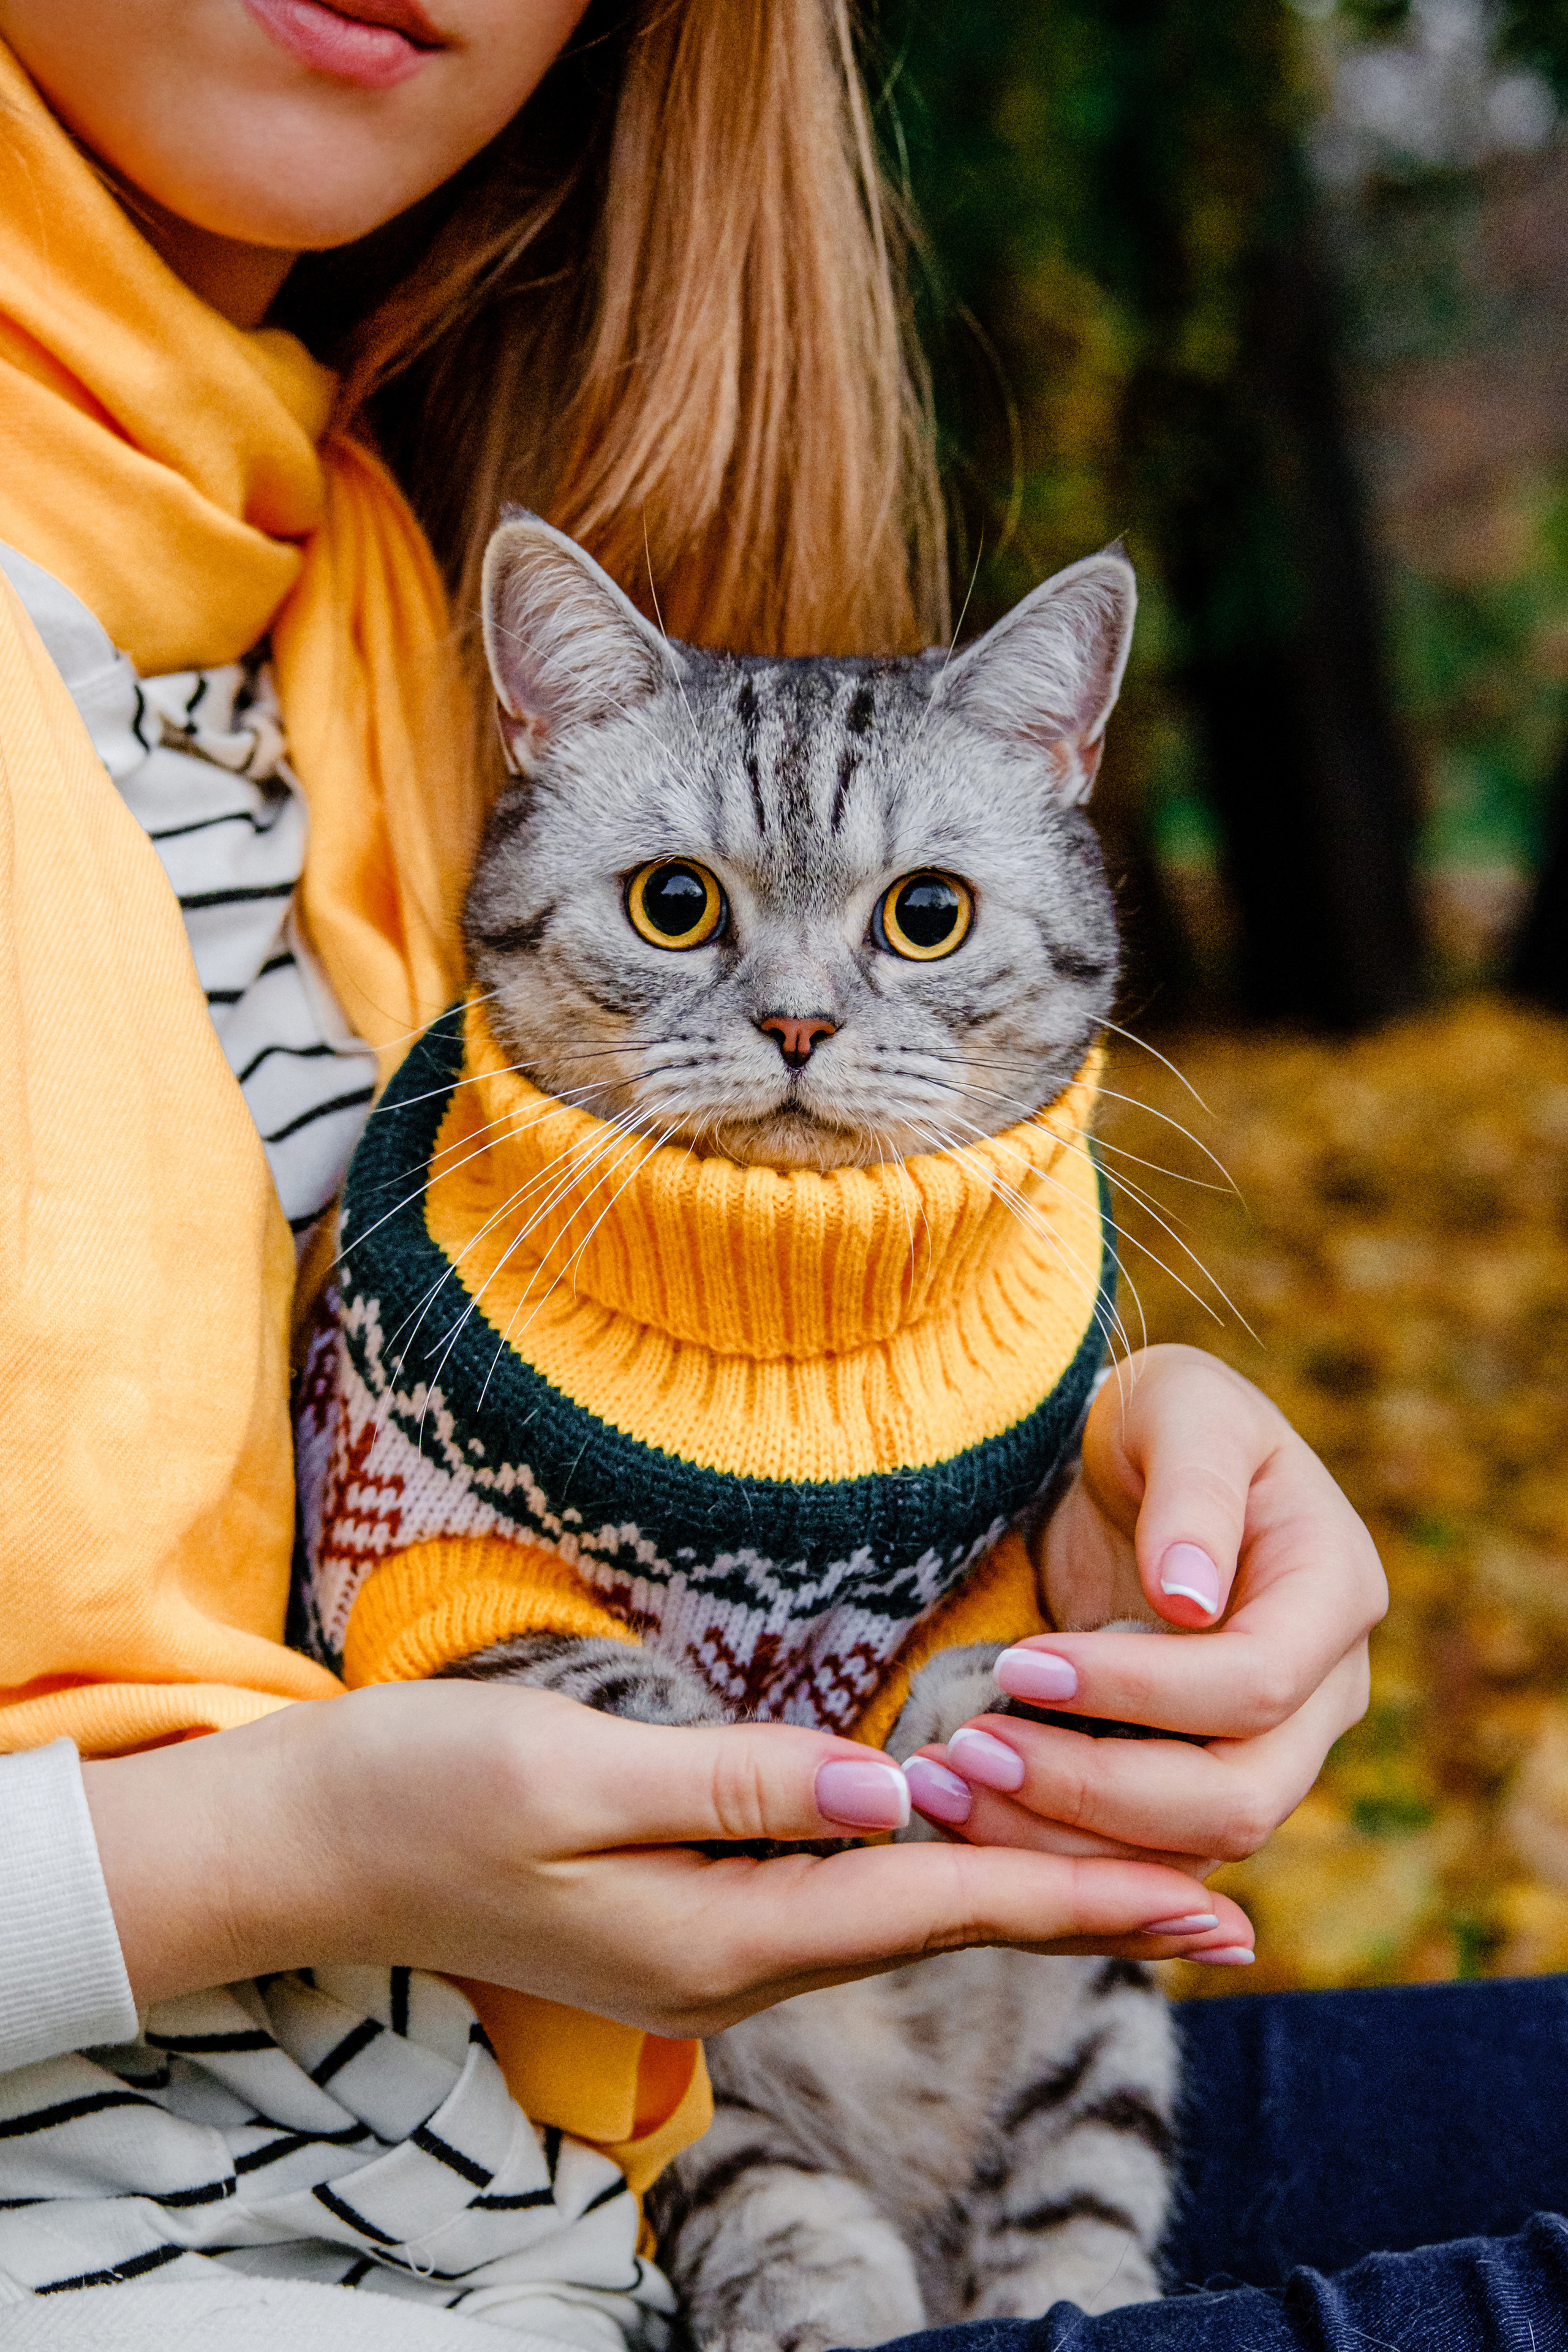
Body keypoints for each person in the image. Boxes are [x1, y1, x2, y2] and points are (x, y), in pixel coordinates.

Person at [0, 1, 1526, 2345]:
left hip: (650, 2162)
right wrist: (290, 1844)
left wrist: (1038, 1503)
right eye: (686, 910)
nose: (800, 1019)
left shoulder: (383, 582)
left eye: (908, 920)